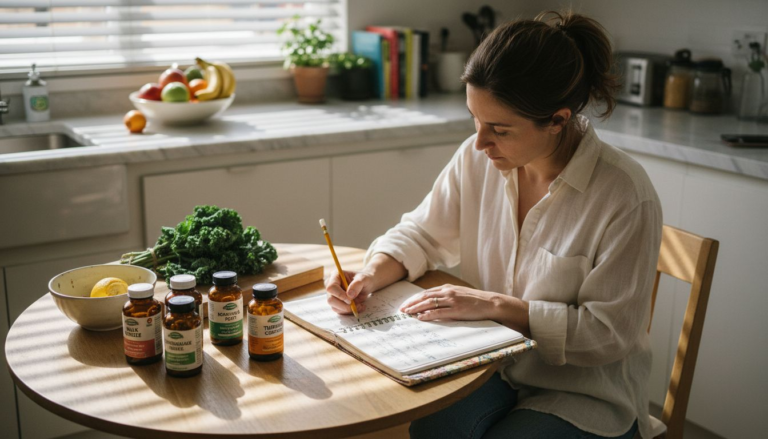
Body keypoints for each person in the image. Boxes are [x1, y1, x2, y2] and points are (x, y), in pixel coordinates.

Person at [324, 10, 661, 439]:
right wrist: (371, 273)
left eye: (499, 129)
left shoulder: (625, 195)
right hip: (492, 367)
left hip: (585, 397)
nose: (480, 142)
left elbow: (607, 335)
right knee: (430, 426)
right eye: (475, 119)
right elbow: (422, 234)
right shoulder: (478, 157)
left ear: (557, 120)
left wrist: (497, 306)